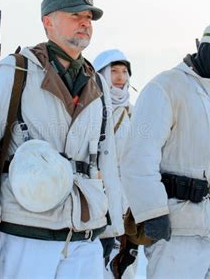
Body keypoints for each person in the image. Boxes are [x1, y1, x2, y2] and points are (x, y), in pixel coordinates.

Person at [0, 0, 124, 278]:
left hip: (85, 229)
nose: (85, 22)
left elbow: (106, 158)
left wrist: (111, 225)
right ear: (48, 22)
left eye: (88, 16)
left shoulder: (98, 84)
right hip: (27, 229)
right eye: (75, 15)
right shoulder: (14, 71)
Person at [121, 21, 210, 278]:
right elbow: (138, 156)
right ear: (208, 52)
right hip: (179, 229)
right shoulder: (165, 87)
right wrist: (152, 212)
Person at [93, 49, 139, 278]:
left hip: (129, 208)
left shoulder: (135, 113)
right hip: (100, 204)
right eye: (113, 71)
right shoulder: (92, 109)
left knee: (126, 268)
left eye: (124, 71)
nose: (120, 77)